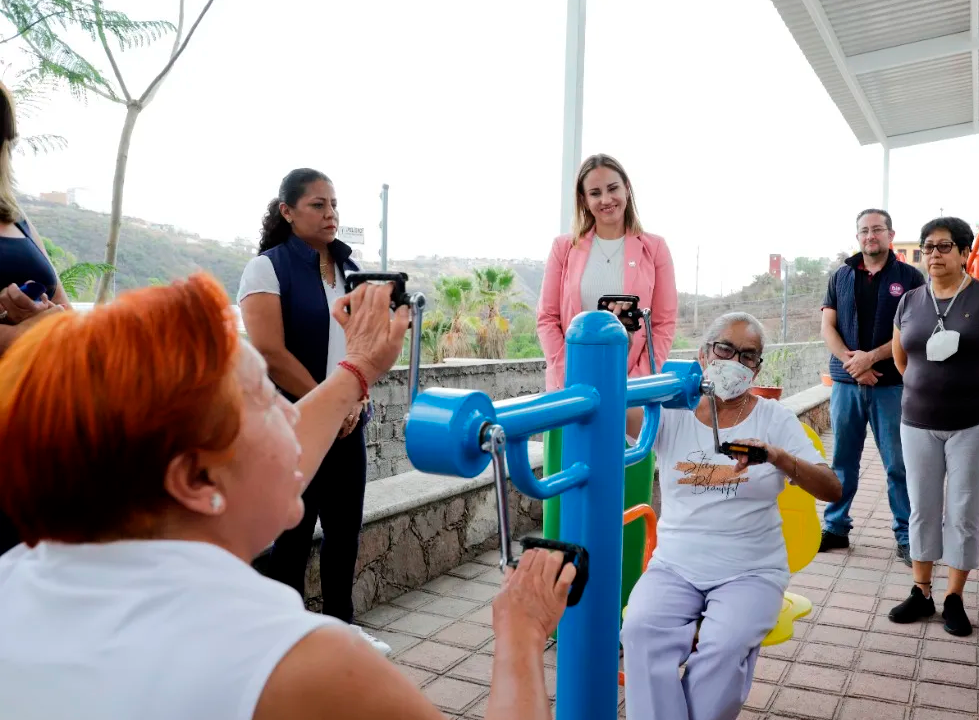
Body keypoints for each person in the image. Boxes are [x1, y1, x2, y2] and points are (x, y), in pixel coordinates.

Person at [0, 275, 572, 720]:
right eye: (264, 397)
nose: (290, 413)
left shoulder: (19, 581)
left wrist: (359, 369)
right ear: (197, 481)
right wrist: (521, 630)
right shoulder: (295, 662)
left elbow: (279, 455)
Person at [620, 312, 841, 720]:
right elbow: (608, 399)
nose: (735, 362)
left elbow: (831, 488)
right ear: (704, 355)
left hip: (751, 571)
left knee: (724, 645)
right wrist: (622, 338)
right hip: (674, 568)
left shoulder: (773, 419)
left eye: (748, 355)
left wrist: (777, 456)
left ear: (758, 367)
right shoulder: (670, 412)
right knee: (639, 631)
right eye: (725, 349)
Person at [238, 169, 385, 653]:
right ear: (287, 211)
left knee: (345, 533)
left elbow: (364, 341)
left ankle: (342, 633)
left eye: (335, 205)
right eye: (318, 205)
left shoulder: (351, 267)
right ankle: (284, 641)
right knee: (293, 536)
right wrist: (331, 398)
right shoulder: (267, 268)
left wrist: (353, 400)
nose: (331, 214)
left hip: (349, 424)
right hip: (292, 424)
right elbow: (270, 352)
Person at [536, 153, 677, 606]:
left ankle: (625, 604)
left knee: (626, 497)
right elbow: (548, 318)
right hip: (570, 394)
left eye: (612, 188)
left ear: (627, 189)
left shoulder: (653, 247)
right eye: (594, 192)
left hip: (629, 394)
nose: (605, 199)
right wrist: (567, 376)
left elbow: (665, 322)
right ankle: (563, 605)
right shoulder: (565, 248)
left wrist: (635, 382)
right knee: (568, 497)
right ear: (583, 199)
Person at [887, 217, 979, 636]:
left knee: (963, 510)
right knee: (922, 507)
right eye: (928, 247)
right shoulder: (909, 301)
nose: (934, 255)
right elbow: (901, 360)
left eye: (945, 247)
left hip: (975, 425)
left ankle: (954, 598)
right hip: (917, 423)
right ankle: (921, 591)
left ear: (966, 253)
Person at [819, 208, 925, 564]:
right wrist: (855, 364)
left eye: (877, 229)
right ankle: (835, 527)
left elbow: (916, 330)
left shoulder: (910, 277)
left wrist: (873, 358)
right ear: (857, 237)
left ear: (890, 235)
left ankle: (907, 535)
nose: (870, 236)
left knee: (898, 463)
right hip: (846, 386)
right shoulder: (841, 276)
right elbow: (827, 328)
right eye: (864, 230)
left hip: (891, 385)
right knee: (842, 461)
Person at [0, 79, 72, 555]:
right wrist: (23, 335)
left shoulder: (19, 217)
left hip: (38, 425)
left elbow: (66, 313)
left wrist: (47, 321)